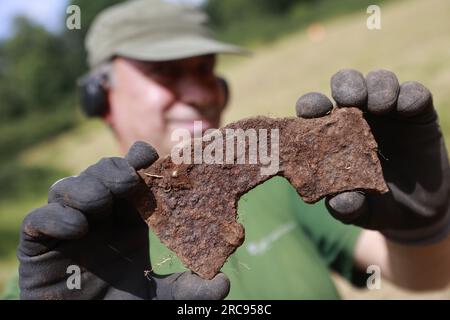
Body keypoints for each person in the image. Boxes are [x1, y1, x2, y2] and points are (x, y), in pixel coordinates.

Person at [7, 0, 450, 299]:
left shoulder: (278, 193)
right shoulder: (69, 253)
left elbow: (427, 277)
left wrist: (423, 225)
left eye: (205, 71)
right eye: (165, 73)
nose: (198, 92)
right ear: (100, 97)